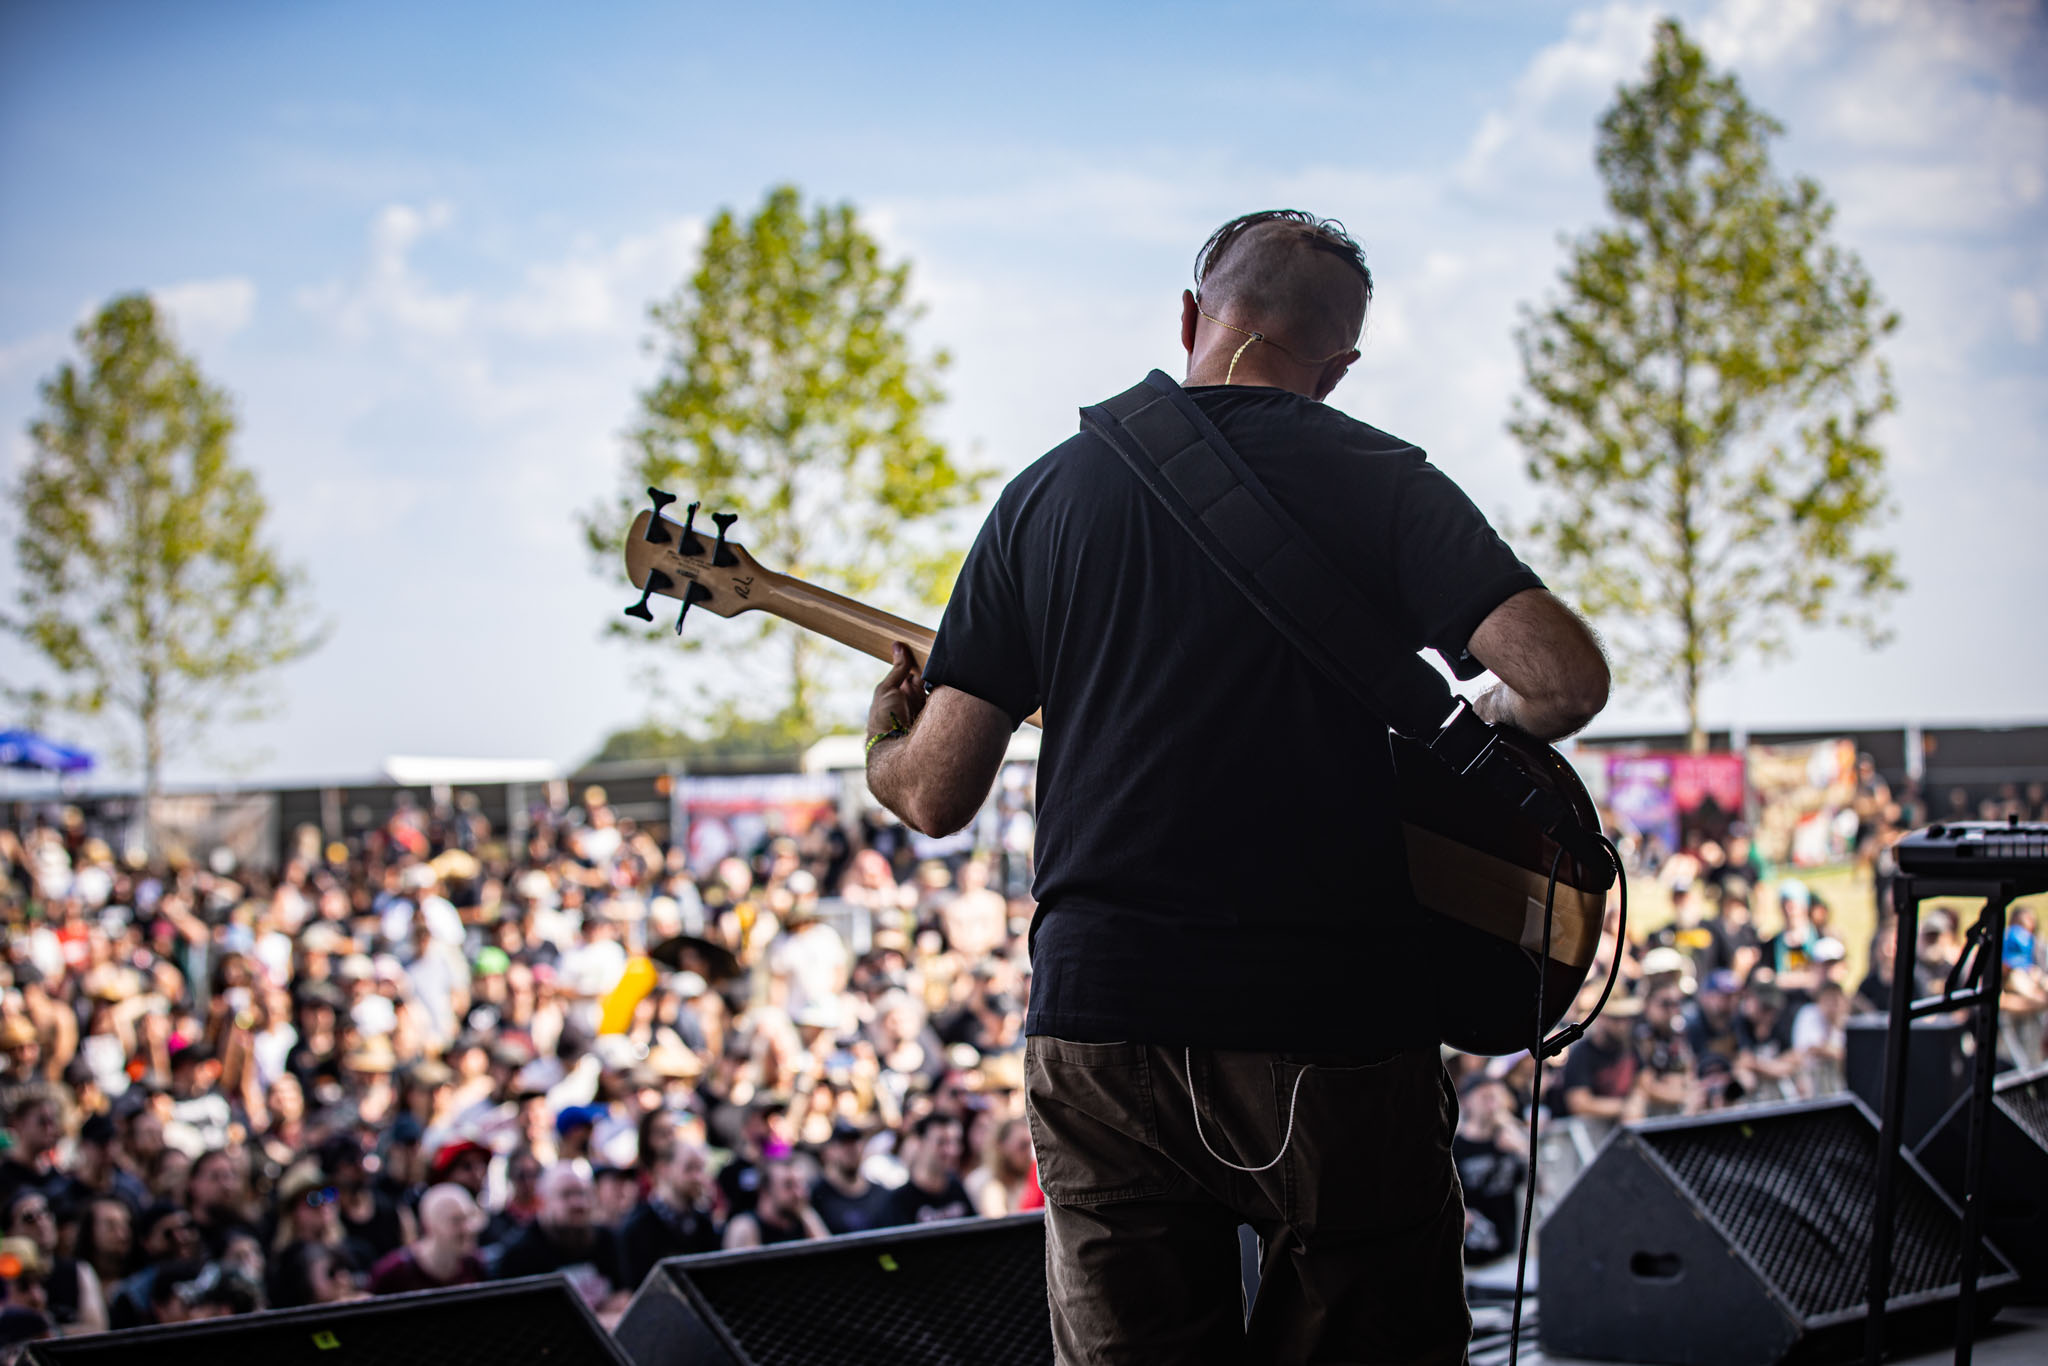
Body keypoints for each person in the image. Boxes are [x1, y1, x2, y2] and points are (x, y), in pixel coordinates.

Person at [862, 209, 1609, 1364]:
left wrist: (883, 739)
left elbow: (933, 794)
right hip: (1333, 1024)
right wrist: (1477, 729)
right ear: (1341, 366)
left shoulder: (1045, 498)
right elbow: (1562, 680)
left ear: (1186, 318)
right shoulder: (1383, 480)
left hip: (1105, 1026)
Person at [492, 1165, 629, 1311]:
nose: (578, 1203)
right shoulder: (518, 1252)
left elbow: (623, 1294)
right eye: (566, 1195)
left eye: (583, 1194)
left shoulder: (605, 1238)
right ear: (542, 1201)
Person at [618, 1140, 721, 1286]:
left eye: (701, 1169)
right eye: (689, 1168)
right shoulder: (638, 1227)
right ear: (663, 1169)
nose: (698, 1177)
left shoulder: (703, 1222)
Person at [367, 1184, 487, 1295]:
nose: (467, 1228)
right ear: (429, 1226)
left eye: (469, 1218)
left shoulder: (474, 1265)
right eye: (456, 1221)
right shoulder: (392, 1272)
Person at [722, 1158, 827, 1249]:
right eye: (788, 1185)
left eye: (800, 1184)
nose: (799, 1193)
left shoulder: (805, 1217)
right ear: (765, 1192)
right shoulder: (745, 1227)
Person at [889, 1113, 974, 1225]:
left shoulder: (957, 1188)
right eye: (941, 1142)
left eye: (956, 1141)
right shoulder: (900, 1201)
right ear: (919, 1143)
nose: (952, 1151)